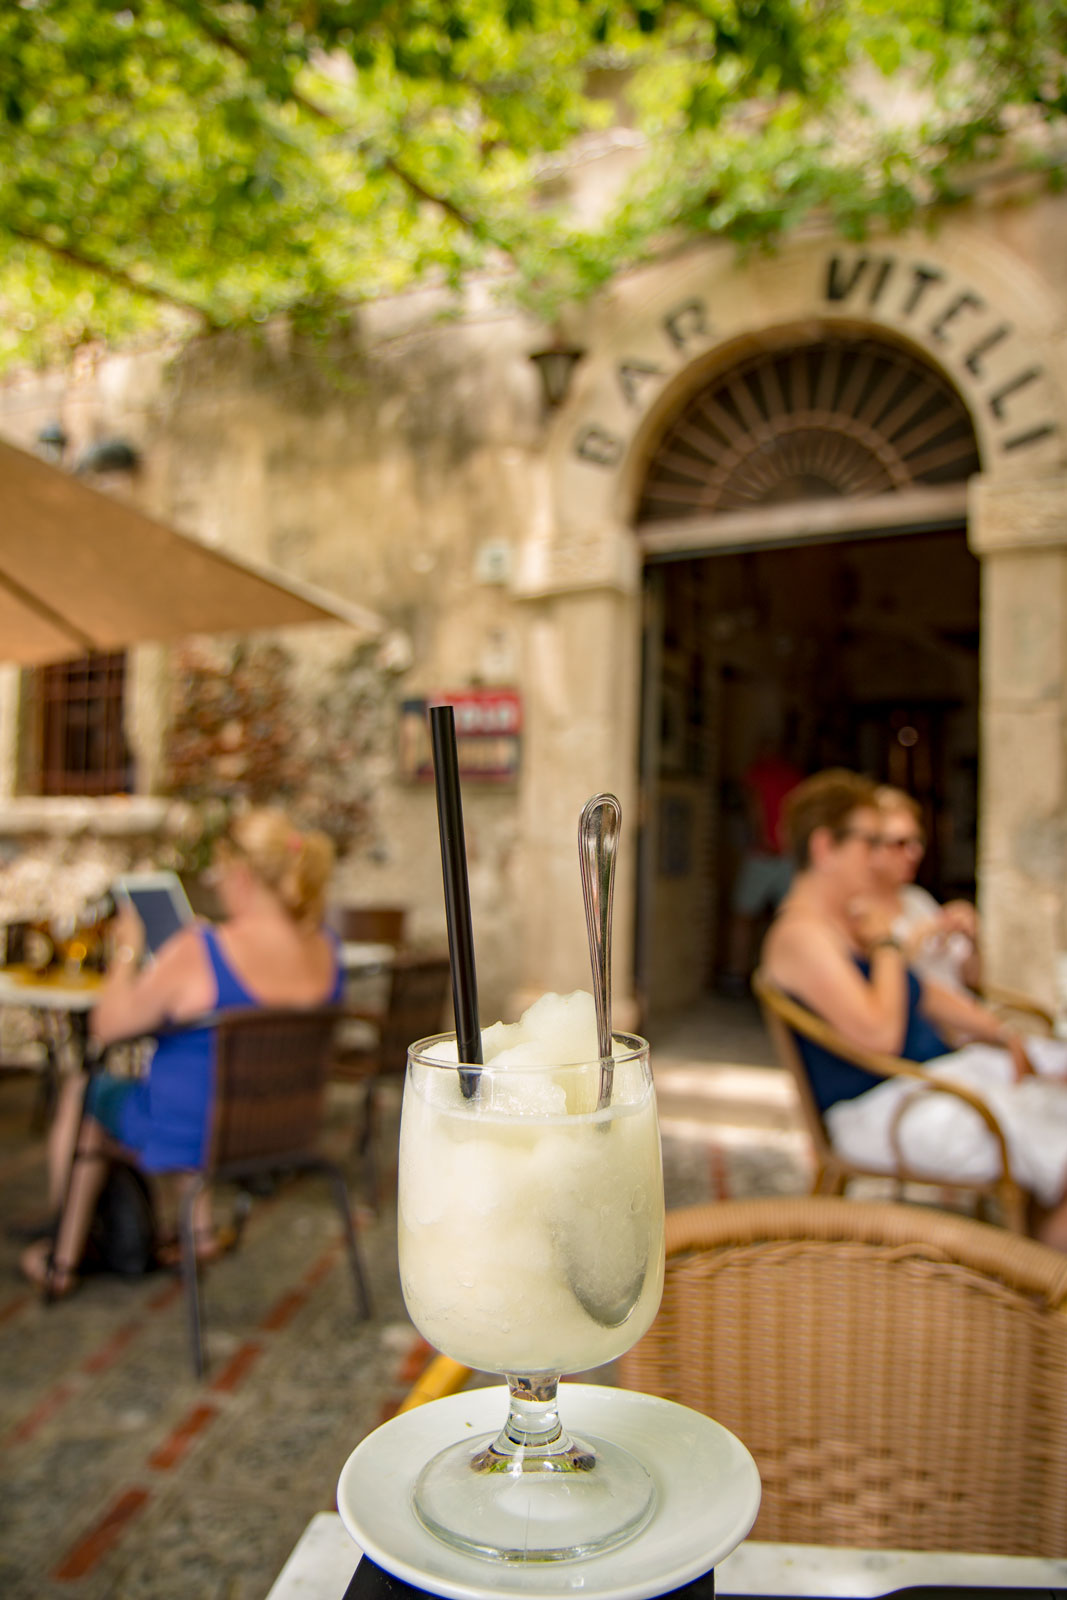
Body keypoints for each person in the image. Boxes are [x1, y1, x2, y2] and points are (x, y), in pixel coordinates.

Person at [20, 808, 341, 1296]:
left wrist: (129, 949)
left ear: (241, 875)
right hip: (283, 1131)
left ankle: (63, 1258)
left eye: (219, 873)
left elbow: (107, 1026)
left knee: (85, 1092)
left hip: (192, 1134)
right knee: (189, 1085)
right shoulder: (324, 948)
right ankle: (200, 1231)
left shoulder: (201, 949)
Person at [761, 769, 1067, 1251]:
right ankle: (1042, 1281)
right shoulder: (800, 937)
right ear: (824, 848)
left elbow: (921, 992)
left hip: (925, 1085)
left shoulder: (844, 921)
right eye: (870, 842)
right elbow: (879, 1035)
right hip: (883, 1109)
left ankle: (1035, 1266)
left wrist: (1004, 1034)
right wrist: (886, 944)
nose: (879, 857)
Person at [871, 785, 981, 992]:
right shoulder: (860, 912)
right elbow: (877, 987)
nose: (915, 852)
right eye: (900, 843)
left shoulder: (916, 898)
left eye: (917, 841)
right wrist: (921, 934)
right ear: (870, 848)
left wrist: (973, 939)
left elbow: (972, 979)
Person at [721, 737, 803, 995]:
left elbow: (752, 807)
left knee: (743, 915)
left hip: (763, 853)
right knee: (787, 918)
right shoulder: (794, 776)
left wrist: (760, 837)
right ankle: (781, 978)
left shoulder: (759, 773)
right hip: (785, 854)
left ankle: (737, 973)